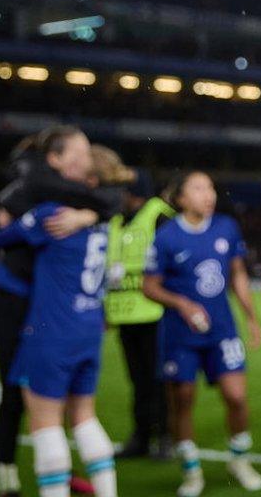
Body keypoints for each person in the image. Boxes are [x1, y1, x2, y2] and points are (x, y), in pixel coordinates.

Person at [0, 144, 133, 497]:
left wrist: (16, 219)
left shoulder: (53, 215)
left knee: (46, 423)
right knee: (84, 416)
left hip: (53, 331)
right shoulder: (101, 221)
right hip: (88, 329)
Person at [142, 171, 261, 497]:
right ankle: (191, 471)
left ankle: (239, 460)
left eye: (210, 187)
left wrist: (251, 318)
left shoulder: (226, 227)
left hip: (222, 330)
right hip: (179, 335)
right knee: (182, 400)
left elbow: (237, 274)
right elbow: (149, 286)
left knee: (236, 396)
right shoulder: (165, 237)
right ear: (180, 198)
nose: (208, 194)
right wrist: (181, 303)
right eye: (198, 188)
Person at [104, 168, 176, 459]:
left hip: (155, 313)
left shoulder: (159, 215)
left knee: (159, 380)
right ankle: (142, 436)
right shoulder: (117, 221)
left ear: (132, 193)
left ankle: (166, 437)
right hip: (125, 314)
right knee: (139, 381)